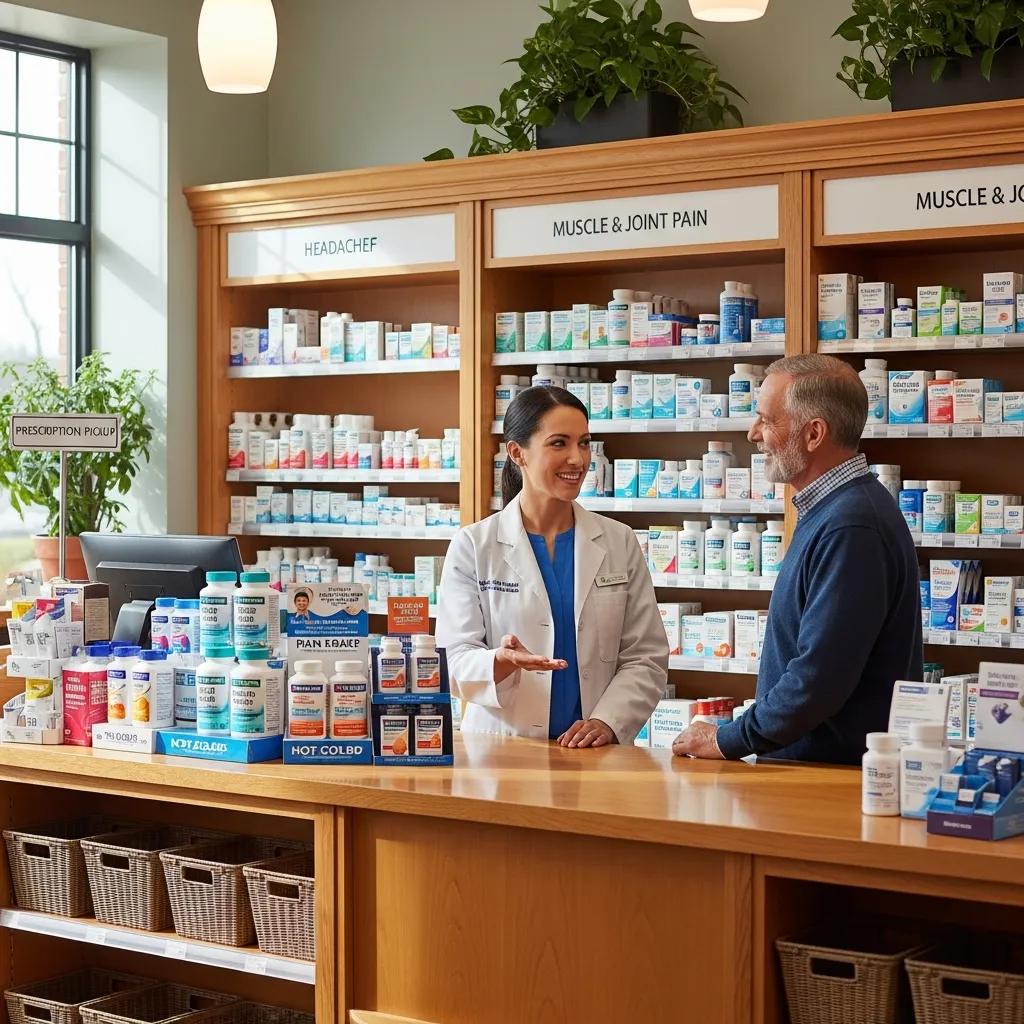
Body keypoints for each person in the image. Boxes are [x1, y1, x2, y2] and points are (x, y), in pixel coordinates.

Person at [673, 353, 923, 764]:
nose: (753, 433)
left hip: (826, 779)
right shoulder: (835, 510)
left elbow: (819, 678)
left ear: (814, 434)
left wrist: (729, 739)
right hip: (811, 767)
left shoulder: (852, 526)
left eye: (767, 420)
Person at [436, 386, 668, 747]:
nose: (577, 459)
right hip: (502, 750)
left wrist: (606, 722)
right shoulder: (474, 546)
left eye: (584, 443)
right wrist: (500, 660)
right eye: (559, 443)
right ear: (517, 453)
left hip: (594, 752)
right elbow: (453, 660)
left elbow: (645, 656)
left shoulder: (618, 540)